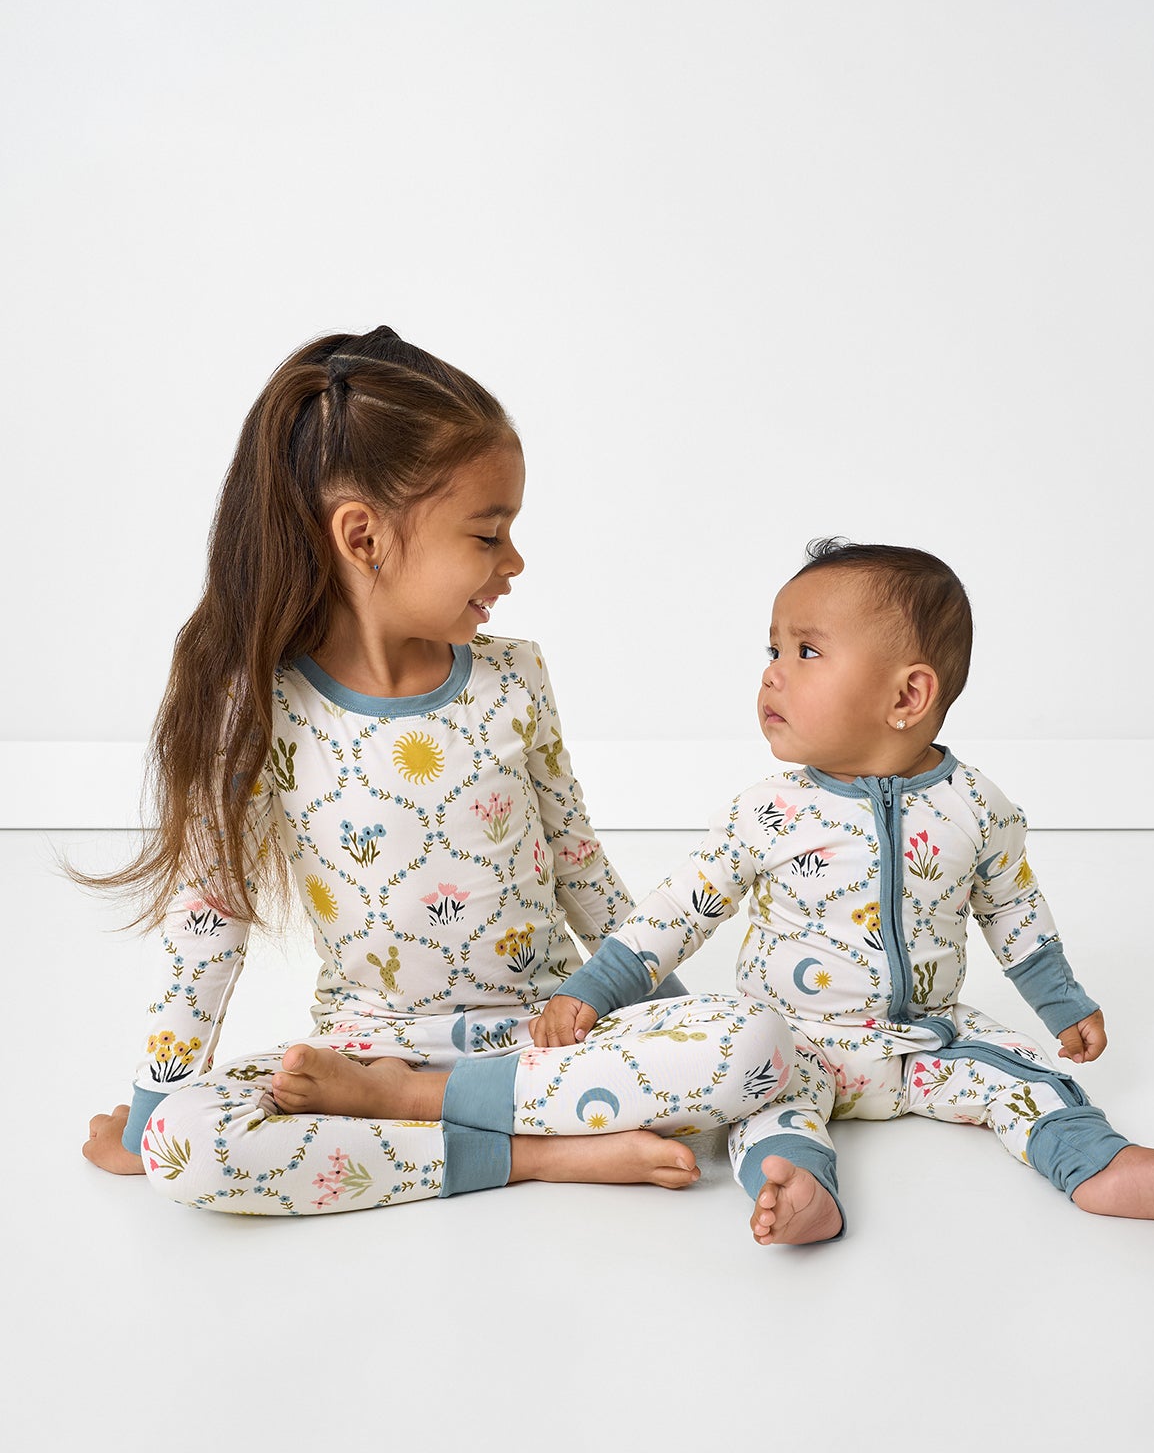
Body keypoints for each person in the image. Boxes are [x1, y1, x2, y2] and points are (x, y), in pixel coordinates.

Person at [82, 326, 793, 1214]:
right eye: (488, 534)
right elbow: (209, 922)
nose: (514, 562)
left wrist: (665, 1024)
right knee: (189, 1149)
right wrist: (154, 1112)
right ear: (364, 537)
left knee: (759, 1040)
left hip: (545, 1036)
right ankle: (540, 1156)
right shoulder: (259, 709)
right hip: (366, 1053)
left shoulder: (514, 678)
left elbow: (583, 874)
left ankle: (432, 1114)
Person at [537, 539, 1154, 1245]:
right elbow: (678, 909)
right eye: (771, 651)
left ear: (907, 695)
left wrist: (1062, 1005)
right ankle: (802, 1188)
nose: (772, 675)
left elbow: (1015, 911)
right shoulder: (767, 811)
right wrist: (593, 989)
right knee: (762, 1109)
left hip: (928, 1042)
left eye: (805, 652)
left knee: (1028, 1075)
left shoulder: (975, 806)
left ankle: (1101, 1165)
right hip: (792, 1045)